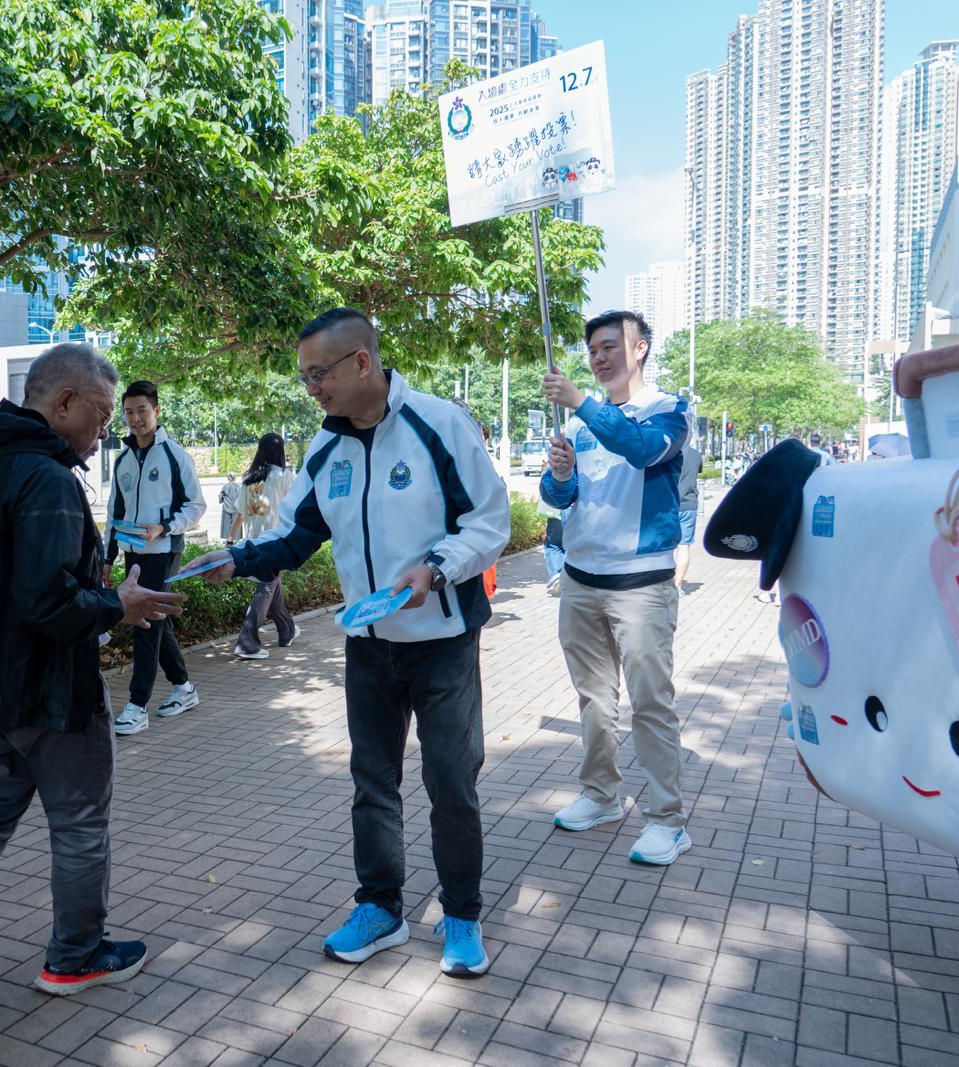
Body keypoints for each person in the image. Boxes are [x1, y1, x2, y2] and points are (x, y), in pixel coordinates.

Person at [0, 343, 185, 1045]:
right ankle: (75, 955)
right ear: (63, 403)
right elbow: (52, 602)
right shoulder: (47, 479)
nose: (104, 432)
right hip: (52, 691)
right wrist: (118, 603)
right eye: (102, 416)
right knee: (79, 821)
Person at [196, 307, 510, 978]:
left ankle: (462, 915)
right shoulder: (325, 450)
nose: (313, 389)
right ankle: (381, 907)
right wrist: (237, 559)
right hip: (367, 641)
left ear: (361, 362)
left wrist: (437, 566)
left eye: (319, 374)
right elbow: (297, 537)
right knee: (373, 781)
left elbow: (490, 520)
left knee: (450, 781)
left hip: (443, 638)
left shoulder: (438, 424)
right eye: (306, 378)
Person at [540, 309, 692, 867]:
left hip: (641, 586)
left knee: (652, 703)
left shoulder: (669, 410)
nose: (599, 358)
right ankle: (601, 795)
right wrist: (558, 475)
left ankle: (667, 820)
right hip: (581, 580)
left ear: (641, 348)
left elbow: (644, 451)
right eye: (593, 350)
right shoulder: (578, 425)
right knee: (594, 701)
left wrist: (581, 401)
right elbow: (559, 501)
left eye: (610, 346)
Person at [102, 381, 206, 736]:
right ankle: (184, 688)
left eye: (142, 411)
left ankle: (137, 706)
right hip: (132, 553)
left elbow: (196, 506)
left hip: (164, 552)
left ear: (157, 411)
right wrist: (107, 556)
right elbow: (114, 510)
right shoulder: (123, 459)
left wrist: (163, 527)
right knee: (156, 622)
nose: (135, 419)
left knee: (145, 625)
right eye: (129, 412)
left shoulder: (175, 455)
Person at [231, 433, 299, 660]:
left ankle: (287, 630)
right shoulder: (283, 476)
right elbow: (299, 508)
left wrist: (231, 540)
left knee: (271, 587)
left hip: (252, 542)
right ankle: (247, 643)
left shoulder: (248, 478)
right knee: (266, 589)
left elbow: (240, 513)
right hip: (274, 542)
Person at [673, 410, 702, 595]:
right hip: (689, 505)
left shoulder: (670, 453)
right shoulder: (696, 455)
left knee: (667, 549)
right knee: (684, 547)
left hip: (670, 504)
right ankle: (678, 587)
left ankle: (668, 586)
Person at [218, 472, 240, 542]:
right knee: (236, 523)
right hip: (236, 507)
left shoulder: (225, 486)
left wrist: (220, 499)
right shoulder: (238, 486)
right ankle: (236, 538)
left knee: (226, 524)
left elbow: (221, 497)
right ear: (235, 477)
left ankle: (228, 539)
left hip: (226, 507)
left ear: (228, 478)